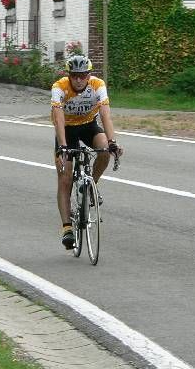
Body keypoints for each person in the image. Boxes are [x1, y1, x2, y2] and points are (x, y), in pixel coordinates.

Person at [51, 55, 123, 250]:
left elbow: (105, 115)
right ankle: (67, 228)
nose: (79, 80)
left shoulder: (98, 85)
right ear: (69, 76)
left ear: (89, 75)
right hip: (66, 130)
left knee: (104, 150)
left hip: (88, 126)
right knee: (65, 178)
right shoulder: (59, 87)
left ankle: (90, 185)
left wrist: (112, 141)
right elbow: (58, 119)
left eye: (83, 76)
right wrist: (64, 146)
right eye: (75, 76)